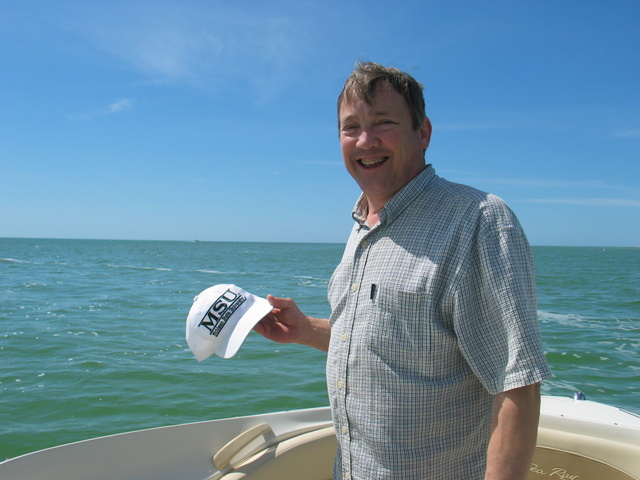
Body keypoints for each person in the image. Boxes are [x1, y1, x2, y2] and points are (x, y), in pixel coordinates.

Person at [254, 62, 552, 480]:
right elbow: (391, 343)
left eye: (384, 122)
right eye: (350, 126)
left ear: (423, 132)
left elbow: (516, 383)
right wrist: (305, 330)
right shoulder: (361, 225)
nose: (365, 140)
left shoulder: (477, 220)